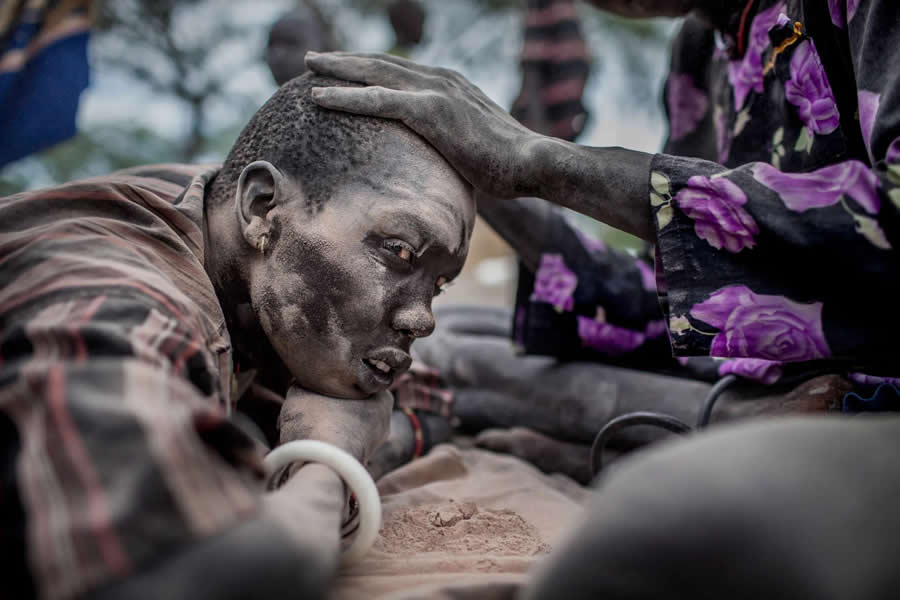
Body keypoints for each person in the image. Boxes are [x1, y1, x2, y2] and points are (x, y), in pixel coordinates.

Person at [303, 0, 900, 595]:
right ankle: (712, 423)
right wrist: (492, 184)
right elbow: (684, 298)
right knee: (450, 346)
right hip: (756, 377)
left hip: (867, 397)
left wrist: (544, 162)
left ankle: (713, 429)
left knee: (463, 374)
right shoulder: (701, 48)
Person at [0, 72, 475, 599]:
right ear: (260, 206)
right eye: (399, 252)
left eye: (439, 284)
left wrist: (373, 434)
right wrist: (328, 462)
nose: (423, 319)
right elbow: (172, 577)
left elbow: (425, 403)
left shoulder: (239, 235)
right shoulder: (114, 302)